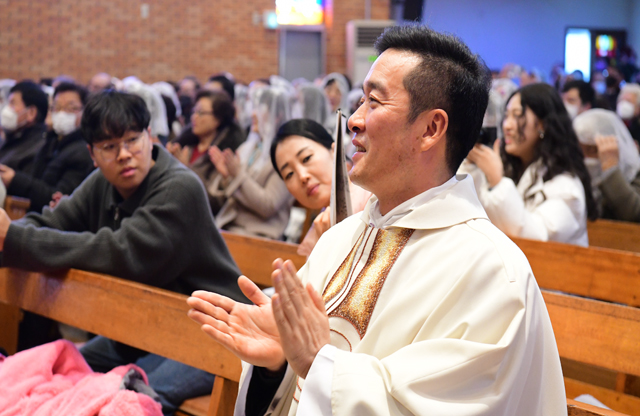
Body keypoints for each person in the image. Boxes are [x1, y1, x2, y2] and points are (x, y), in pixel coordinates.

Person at [187, 25, 567, 416]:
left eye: (374, 102)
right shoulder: (341, 239)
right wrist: (277, 364)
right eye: (359, 102)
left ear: (431, 128)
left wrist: (318, 362)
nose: (353, 120)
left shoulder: (491, 272)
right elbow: (296, 383)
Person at [0, 90, 248, 415]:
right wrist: (7, 238)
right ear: (92, 153)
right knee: (55, 369)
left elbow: (121, 254)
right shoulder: (102, 183)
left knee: (133, 394)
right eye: (109, 147)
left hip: (213, 336)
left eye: (133, 140)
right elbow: (55, 222)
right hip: (149, 326)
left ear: (150, 136)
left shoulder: (179, 188)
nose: (124, 154)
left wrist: (14, 237)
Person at [468, 83, 597, 246]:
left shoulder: (567, 187)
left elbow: (535, 239)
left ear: (542, 124)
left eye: (517, 116)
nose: (507, 125)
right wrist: (471, 164)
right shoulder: (514, 167)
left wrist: (497, 181)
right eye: (507, 116)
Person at [270, 118, 371, 256]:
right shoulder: (316, 233)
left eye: (306, 158)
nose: (302, 176)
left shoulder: (373, 201)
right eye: (289, 174)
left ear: (334, 151)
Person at [208, 86, 294, 240]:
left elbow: (268, 206)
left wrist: (237, 175)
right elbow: (223, 200)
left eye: (261, 108)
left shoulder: (285, 155)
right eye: (254, 108)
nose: (253, 114)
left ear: (278, 116)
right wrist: (227, 177)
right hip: (229, 226)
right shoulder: (248, 148)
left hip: (259, 234)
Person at [0, 82, 94, 213]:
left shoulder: (83, 151)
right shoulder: (52, 142)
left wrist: (15, 180)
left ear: (85, 113)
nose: (62, 113)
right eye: (57, 107)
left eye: (71, 108)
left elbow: (58, 198)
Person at [166, 89, 245, 214]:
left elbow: (216, 202)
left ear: (218, 119)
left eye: (201, 112)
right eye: (194, 112)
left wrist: (186, 171)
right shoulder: (185, 146)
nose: (194, 117)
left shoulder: (223, 154)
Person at [573, 109, 640, 222]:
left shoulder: (634, 173)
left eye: (593, 150)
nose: (586, 158)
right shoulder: (573, 174)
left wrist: (610, 167)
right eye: (580, 151)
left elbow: (633, 214)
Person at [0, 81, 49, 173]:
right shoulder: (14, 137)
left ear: (31, 113)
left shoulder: (37, 149)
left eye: (12, 103)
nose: (7, 109)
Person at [616, 82, 640, 147]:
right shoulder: (614, 123)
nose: (624, 104)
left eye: (628, 101)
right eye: (622, 100)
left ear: (638, 107)